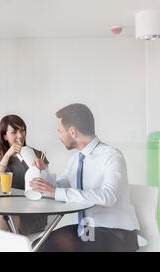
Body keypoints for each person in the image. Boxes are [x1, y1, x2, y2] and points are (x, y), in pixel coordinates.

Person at [30, 103, 140, 252]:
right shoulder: (75, 160)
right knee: (39, 246)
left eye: (60, 131)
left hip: (116, 232)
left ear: (73, 132)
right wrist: (45, 173)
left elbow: (108, 196)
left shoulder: (112, 156)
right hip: (89, 230)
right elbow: (60, 188)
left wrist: (55, 192)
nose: (59, 137)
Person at [0, 114, 50, 235]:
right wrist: (7, 155)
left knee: (0, 222)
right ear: (5, 136)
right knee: (2, 219)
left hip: (32, 210)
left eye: (22, 130)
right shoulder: (0, 156)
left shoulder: (36, 154)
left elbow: (48, 183)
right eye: (14, 132)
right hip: (9, 208)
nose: (20, 135)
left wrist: (39, 168)